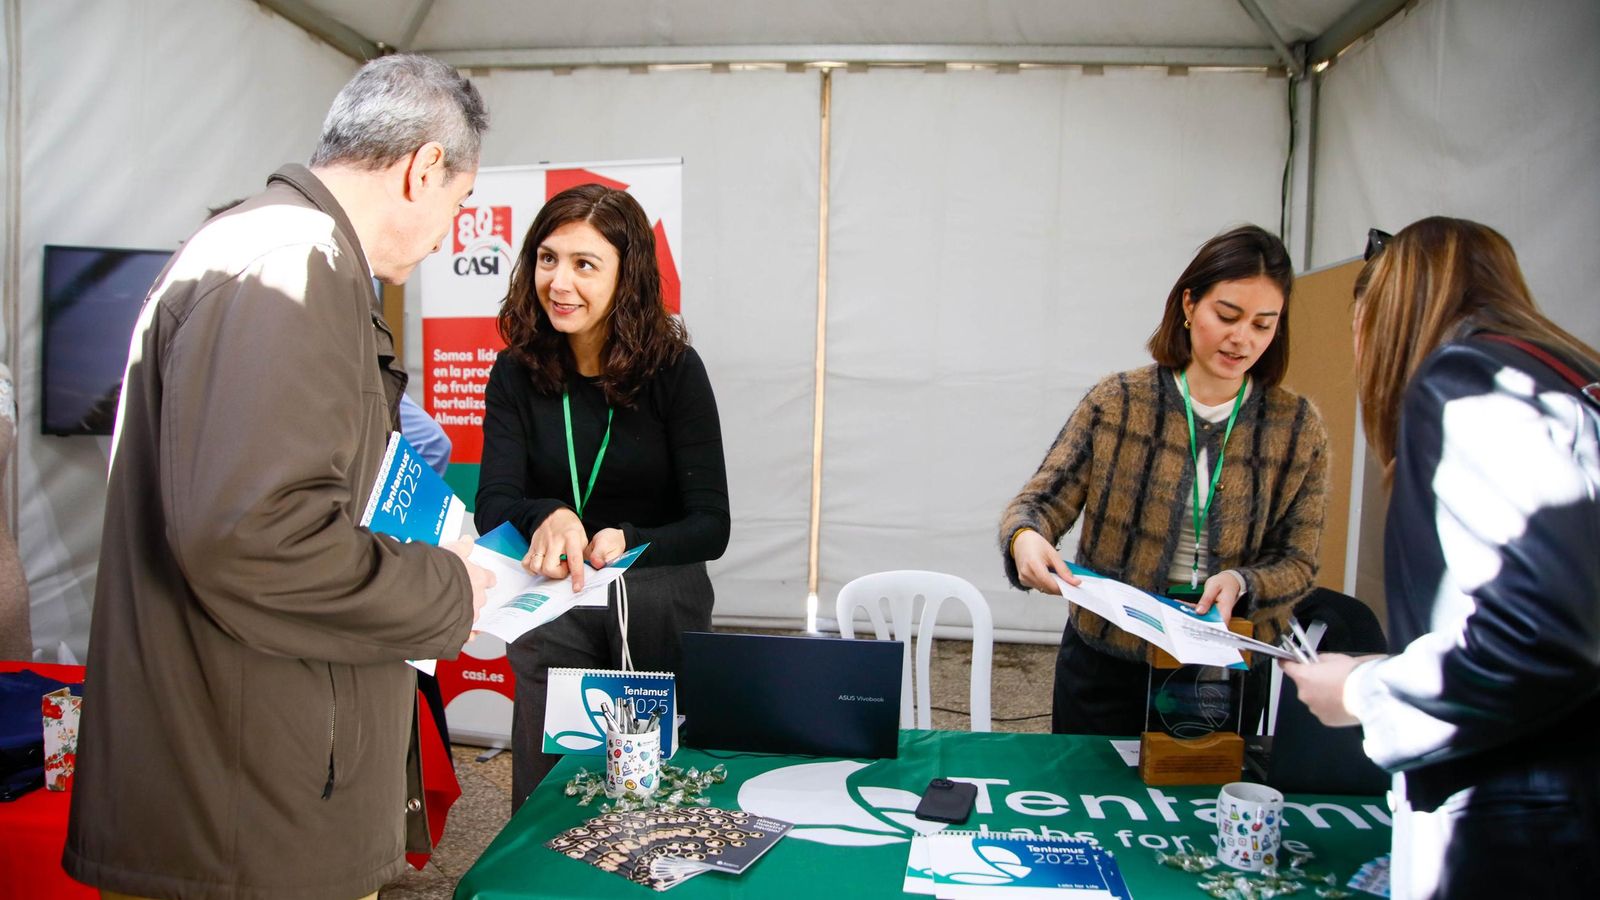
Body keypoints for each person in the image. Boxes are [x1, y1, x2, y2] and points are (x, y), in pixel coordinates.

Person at [64, 55, 495, 900]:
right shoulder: (287, 265)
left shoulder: (285, 249)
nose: (453, 231)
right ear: (424, 169)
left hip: (255, 791)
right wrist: (448, 589)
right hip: (245, 821)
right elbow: (255, 537)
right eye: (460, 203)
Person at [1283, 218, 1600, 899]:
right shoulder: (1572, 379)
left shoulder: (1468, 379)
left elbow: (1536, 637)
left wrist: (1364, 692)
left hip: (1523, 833)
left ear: (1382, 311)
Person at [999, 224, 1329, 735]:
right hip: (1108, 658)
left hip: (1221, 667)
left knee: (1199, 809)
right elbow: (1039, 502)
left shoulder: (1296, 427)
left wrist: (1244, 581)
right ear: (1189, 304)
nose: (1242, 338)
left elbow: (1300, 561)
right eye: (1227, 315)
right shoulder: (1119, 402)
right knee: (1088, 799)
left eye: (1264, 325)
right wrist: (1025, 539)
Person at [476, 184, 729, 809]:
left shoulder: (674, 369)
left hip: (656, 604)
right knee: (547, 795)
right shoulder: (516, 370)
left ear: (628, 276)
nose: (560, 282)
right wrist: (551, 512)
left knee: (653, 798)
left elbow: (711, 525)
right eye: (547, 258)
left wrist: (629, 540)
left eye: (585, 264)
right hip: (551, 604)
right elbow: (493, 504)